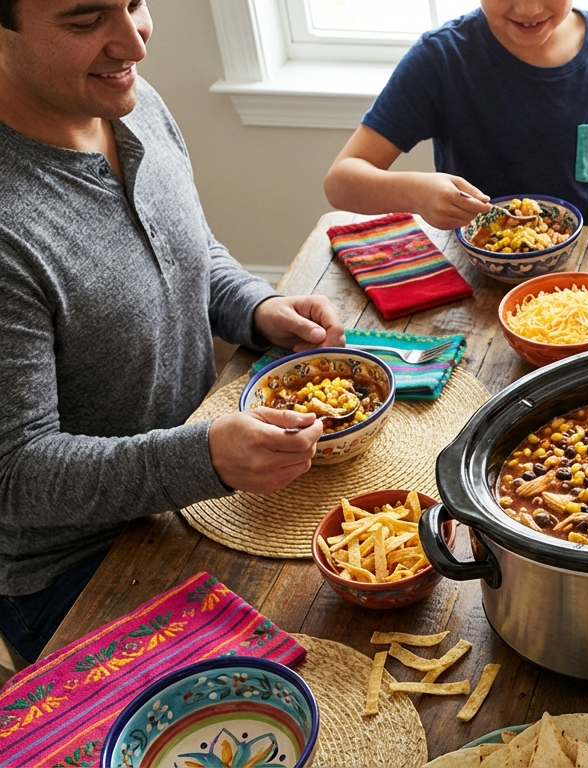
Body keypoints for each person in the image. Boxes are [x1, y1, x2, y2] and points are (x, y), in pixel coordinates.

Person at [0, 0, 345, 665]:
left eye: (135, 2)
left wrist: (257, 306)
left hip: (201, 490)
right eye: (85, 21)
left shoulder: (130, 102)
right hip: (80, 567)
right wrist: (204, 458)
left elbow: (189, 249)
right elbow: (16, 472)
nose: (134, 44)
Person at [323, 0, 588, 240]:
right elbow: (341, 182)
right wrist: (416, 193)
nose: (529, 8)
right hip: (474, 272)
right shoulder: (441, 58)